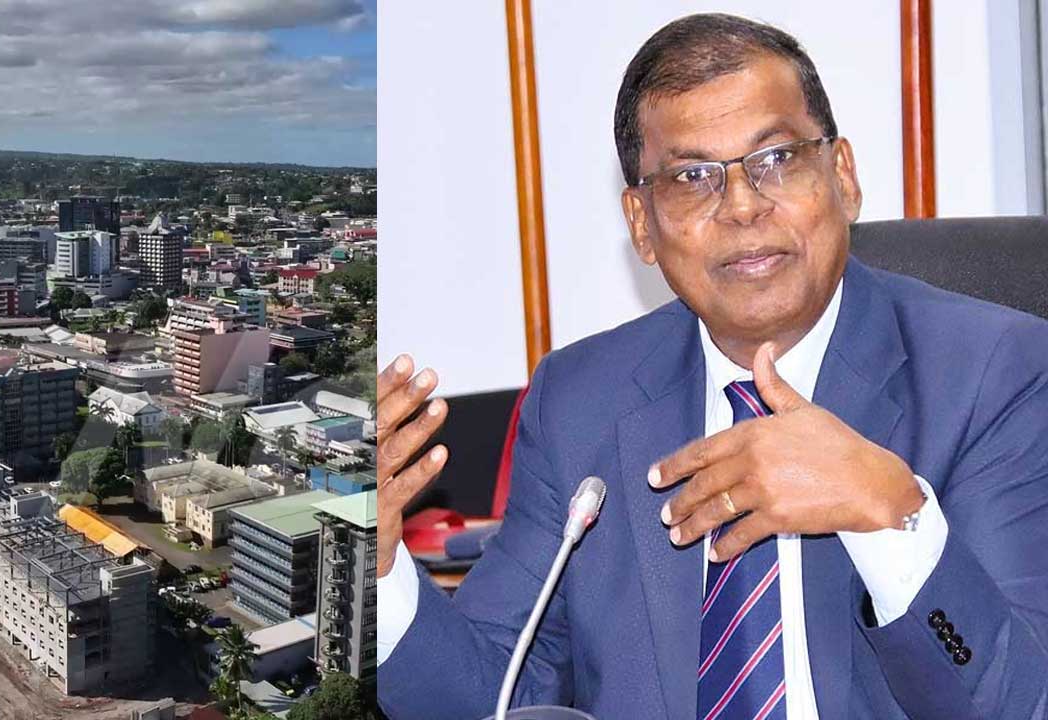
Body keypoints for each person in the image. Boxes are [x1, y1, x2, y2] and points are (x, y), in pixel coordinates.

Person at [376, 13, 1048, 720]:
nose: (743, 206)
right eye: (693, 177)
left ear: (843, 176)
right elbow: (500, 695)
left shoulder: (992, 374)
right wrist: (381, 567)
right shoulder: (579, 402)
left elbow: (1022, 700)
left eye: (777, 158)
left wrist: (892, 515)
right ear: (642, 224)